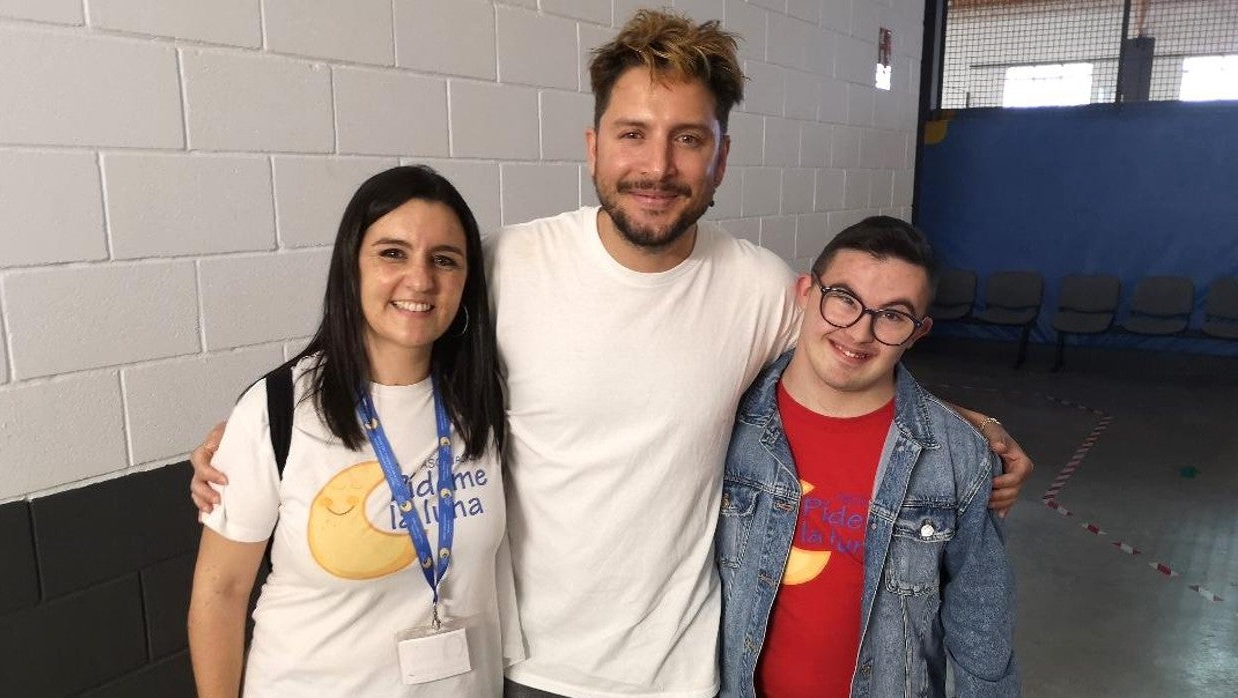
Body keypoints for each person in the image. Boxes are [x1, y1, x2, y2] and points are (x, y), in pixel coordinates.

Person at [189, 11, 1032, 697]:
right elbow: (390, 348)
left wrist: (967, 426)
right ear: (592, 147)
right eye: (632, 133)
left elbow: (851, 355)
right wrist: (256, 437)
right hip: (519, 669)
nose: (657, 166)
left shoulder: (758, 287)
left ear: (722, 159)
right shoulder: (504, 267)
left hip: (684, 670)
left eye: (688, 139)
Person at [187, 166, 521, 697]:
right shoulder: (279, 410)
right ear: (352, 267)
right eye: (393, 253)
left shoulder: (484, 402)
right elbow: (221, 591)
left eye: (445, 259)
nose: (420, 280)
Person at [718, 216, 1019, 697]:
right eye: (844, 299)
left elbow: (980, 622)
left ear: (919, 332)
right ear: (805, 293)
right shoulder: (726, 422)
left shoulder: (958, 457)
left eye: (893, 315)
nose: (859, 333)